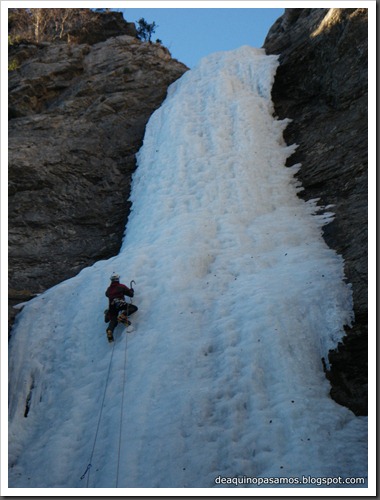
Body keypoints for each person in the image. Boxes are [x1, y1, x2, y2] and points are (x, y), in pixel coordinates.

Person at [105, 273, 138, 342]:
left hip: (111, 306)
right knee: (133, 308)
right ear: (118, 279)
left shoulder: (108, 289)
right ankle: (123, 316)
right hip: (119, 302)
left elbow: (107, 294)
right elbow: (130, 294)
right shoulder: (121, 286)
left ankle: (110, 330)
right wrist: (131, 290)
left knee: (113, 320)